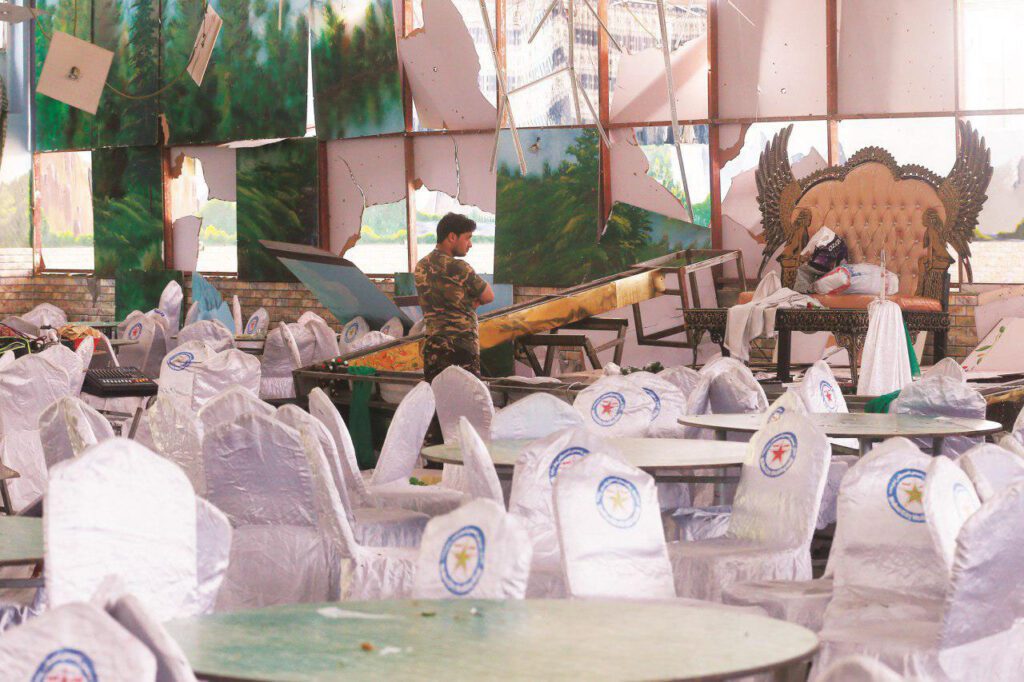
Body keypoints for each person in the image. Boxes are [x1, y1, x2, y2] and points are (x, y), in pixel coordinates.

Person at [414, 213, 494, 382]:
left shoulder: (421, 266)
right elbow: (488, 296)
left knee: (437, 394)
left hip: (433, 349)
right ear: (452, 237)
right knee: (466, 395)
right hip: (461, 349)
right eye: (467, 238)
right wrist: (472, 302)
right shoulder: (459, 267)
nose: (470, 244)